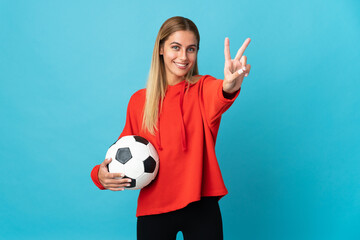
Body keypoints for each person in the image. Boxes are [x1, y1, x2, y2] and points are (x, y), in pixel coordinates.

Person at [90, 16, 251, 240]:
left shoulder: (202, 88)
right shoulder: (139, 101)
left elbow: (221, 93)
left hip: (201, 204)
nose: (184, 57)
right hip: (154, 209)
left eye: (191, 49)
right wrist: (99, 174)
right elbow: (121, 153)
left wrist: (230, 85)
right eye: (176, 47)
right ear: (161, 49)